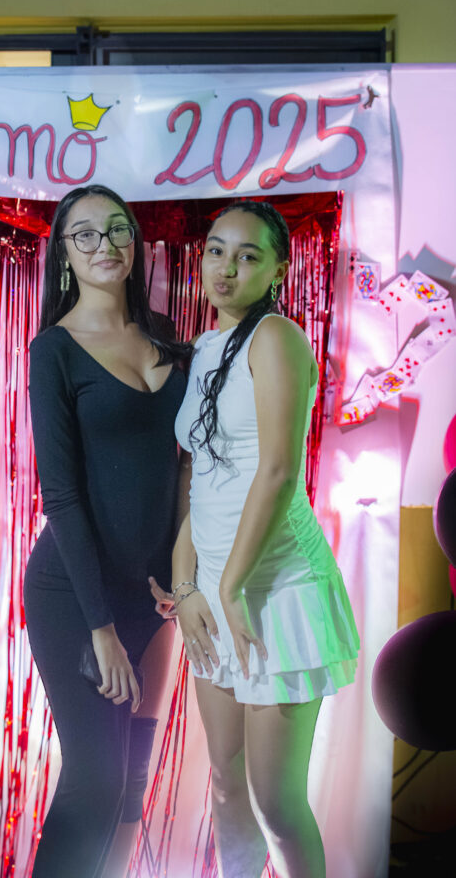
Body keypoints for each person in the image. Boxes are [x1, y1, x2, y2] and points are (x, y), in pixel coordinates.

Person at [151, 200, 359, 878]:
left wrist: (233, 584)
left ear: (278, 269)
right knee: (224, 778)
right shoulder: (204, 348)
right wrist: (187, 584)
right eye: (216, 250)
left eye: (248, 255)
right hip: (218, 591)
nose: (226, 267)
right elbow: (201, 476)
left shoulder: (277, 338)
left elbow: (276, 471)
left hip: (276, 591)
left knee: (276, 803)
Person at [23, 184, 188, 878]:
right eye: (85, 234)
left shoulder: (168, 336)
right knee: (93, 783)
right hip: (75, 597)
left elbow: (184, 465)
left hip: (150, 599)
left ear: (135, 242)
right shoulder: (54, 350)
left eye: (118, 229)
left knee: (125, 788)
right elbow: (60, 495)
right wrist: (100, 628)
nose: (105, 245)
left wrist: (180, 576)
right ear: (64, 254)